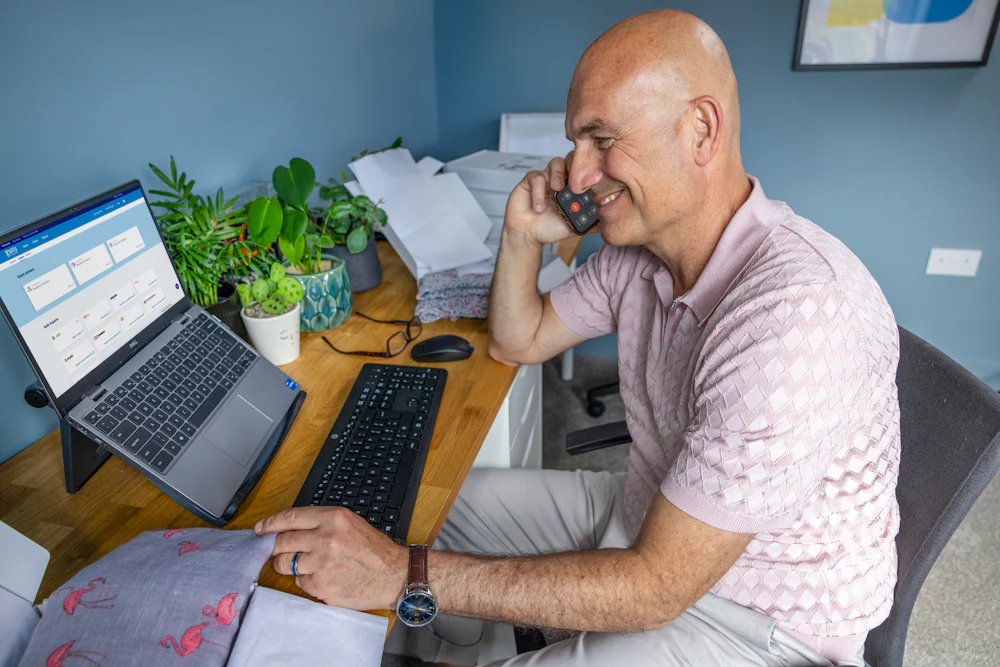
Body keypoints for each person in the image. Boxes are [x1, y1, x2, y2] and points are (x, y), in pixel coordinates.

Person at [254, 9, 901, 667]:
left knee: (408, 555)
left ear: (701, 128)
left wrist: (405, 573)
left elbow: (656, 589)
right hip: (646, 512)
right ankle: (450, 638)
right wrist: (520, 235)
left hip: (757, 619)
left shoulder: (792, 315)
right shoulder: (639, 253)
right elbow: (519, 339)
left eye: (601, 139)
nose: (580, 173)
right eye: (575, 144)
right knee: (418, 505)